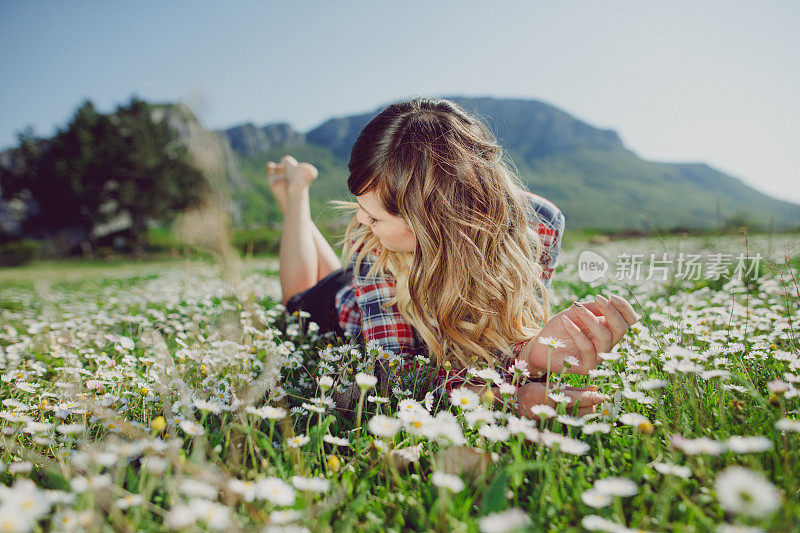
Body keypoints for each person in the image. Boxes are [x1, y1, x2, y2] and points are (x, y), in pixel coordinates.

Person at [266, 97, 639, 418]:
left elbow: (502, 336)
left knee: (332, 277)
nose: (360, 220)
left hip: (381, 283)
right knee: (296, 303)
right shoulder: (371, 239)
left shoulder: (539, 225)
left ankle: (294, 195)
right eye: (364, 209)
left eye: (375, 215)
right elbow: (392, 373)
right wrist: (508, 397)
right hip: (347, 304)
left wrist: (533, 354)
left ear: (427, 224)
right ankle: (296, 195)